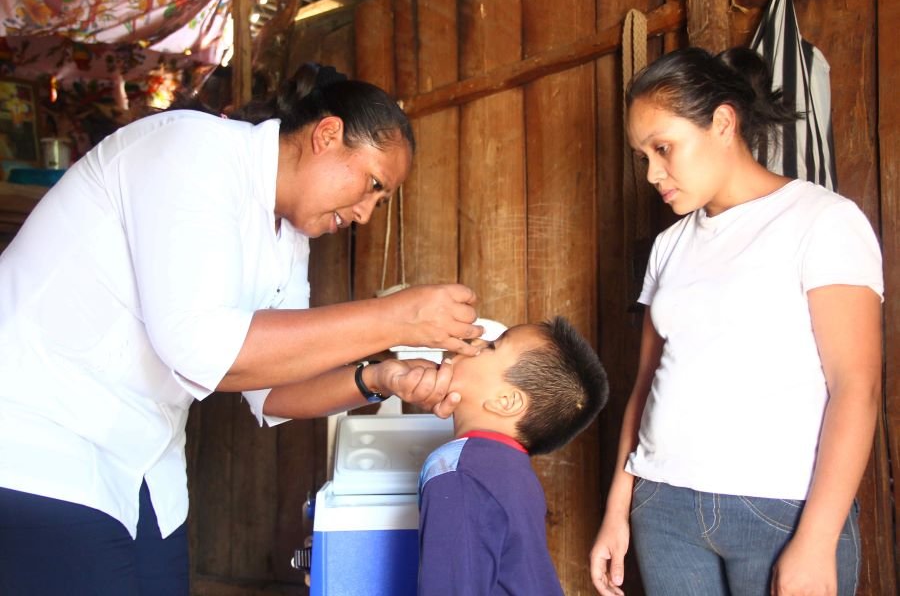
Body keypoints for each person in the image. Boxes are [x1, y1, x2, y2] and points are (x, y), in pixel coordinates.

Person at [0, 63, 486, 595]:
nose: (367, 213)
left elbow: (271, 391)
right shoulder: (192, 152)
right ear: (327, 136)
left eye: (380, 200)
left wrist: (382, 377)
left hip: (140, 462)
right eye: (372, 184)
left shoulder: (287, 236)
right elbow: (201, 349)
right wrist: (396, 316)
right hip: (40, 441)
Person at [589, 47, 883, 596]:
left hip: (780, 511)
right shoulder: (669, 246)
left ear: (723, 122)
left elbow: (856, 388)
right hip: (664, 508)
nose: (653, 172)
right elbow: (646, 386)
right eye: (643, 156)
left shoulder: (823, 221)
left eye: (664, 148)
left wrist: (818, 540)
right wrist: (617, 508)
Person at [418, 316, 609, 596]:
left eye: (493, 346)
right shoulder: (513, 470)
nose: (477, 342)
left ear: (505, 401)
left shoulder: (458, 471)